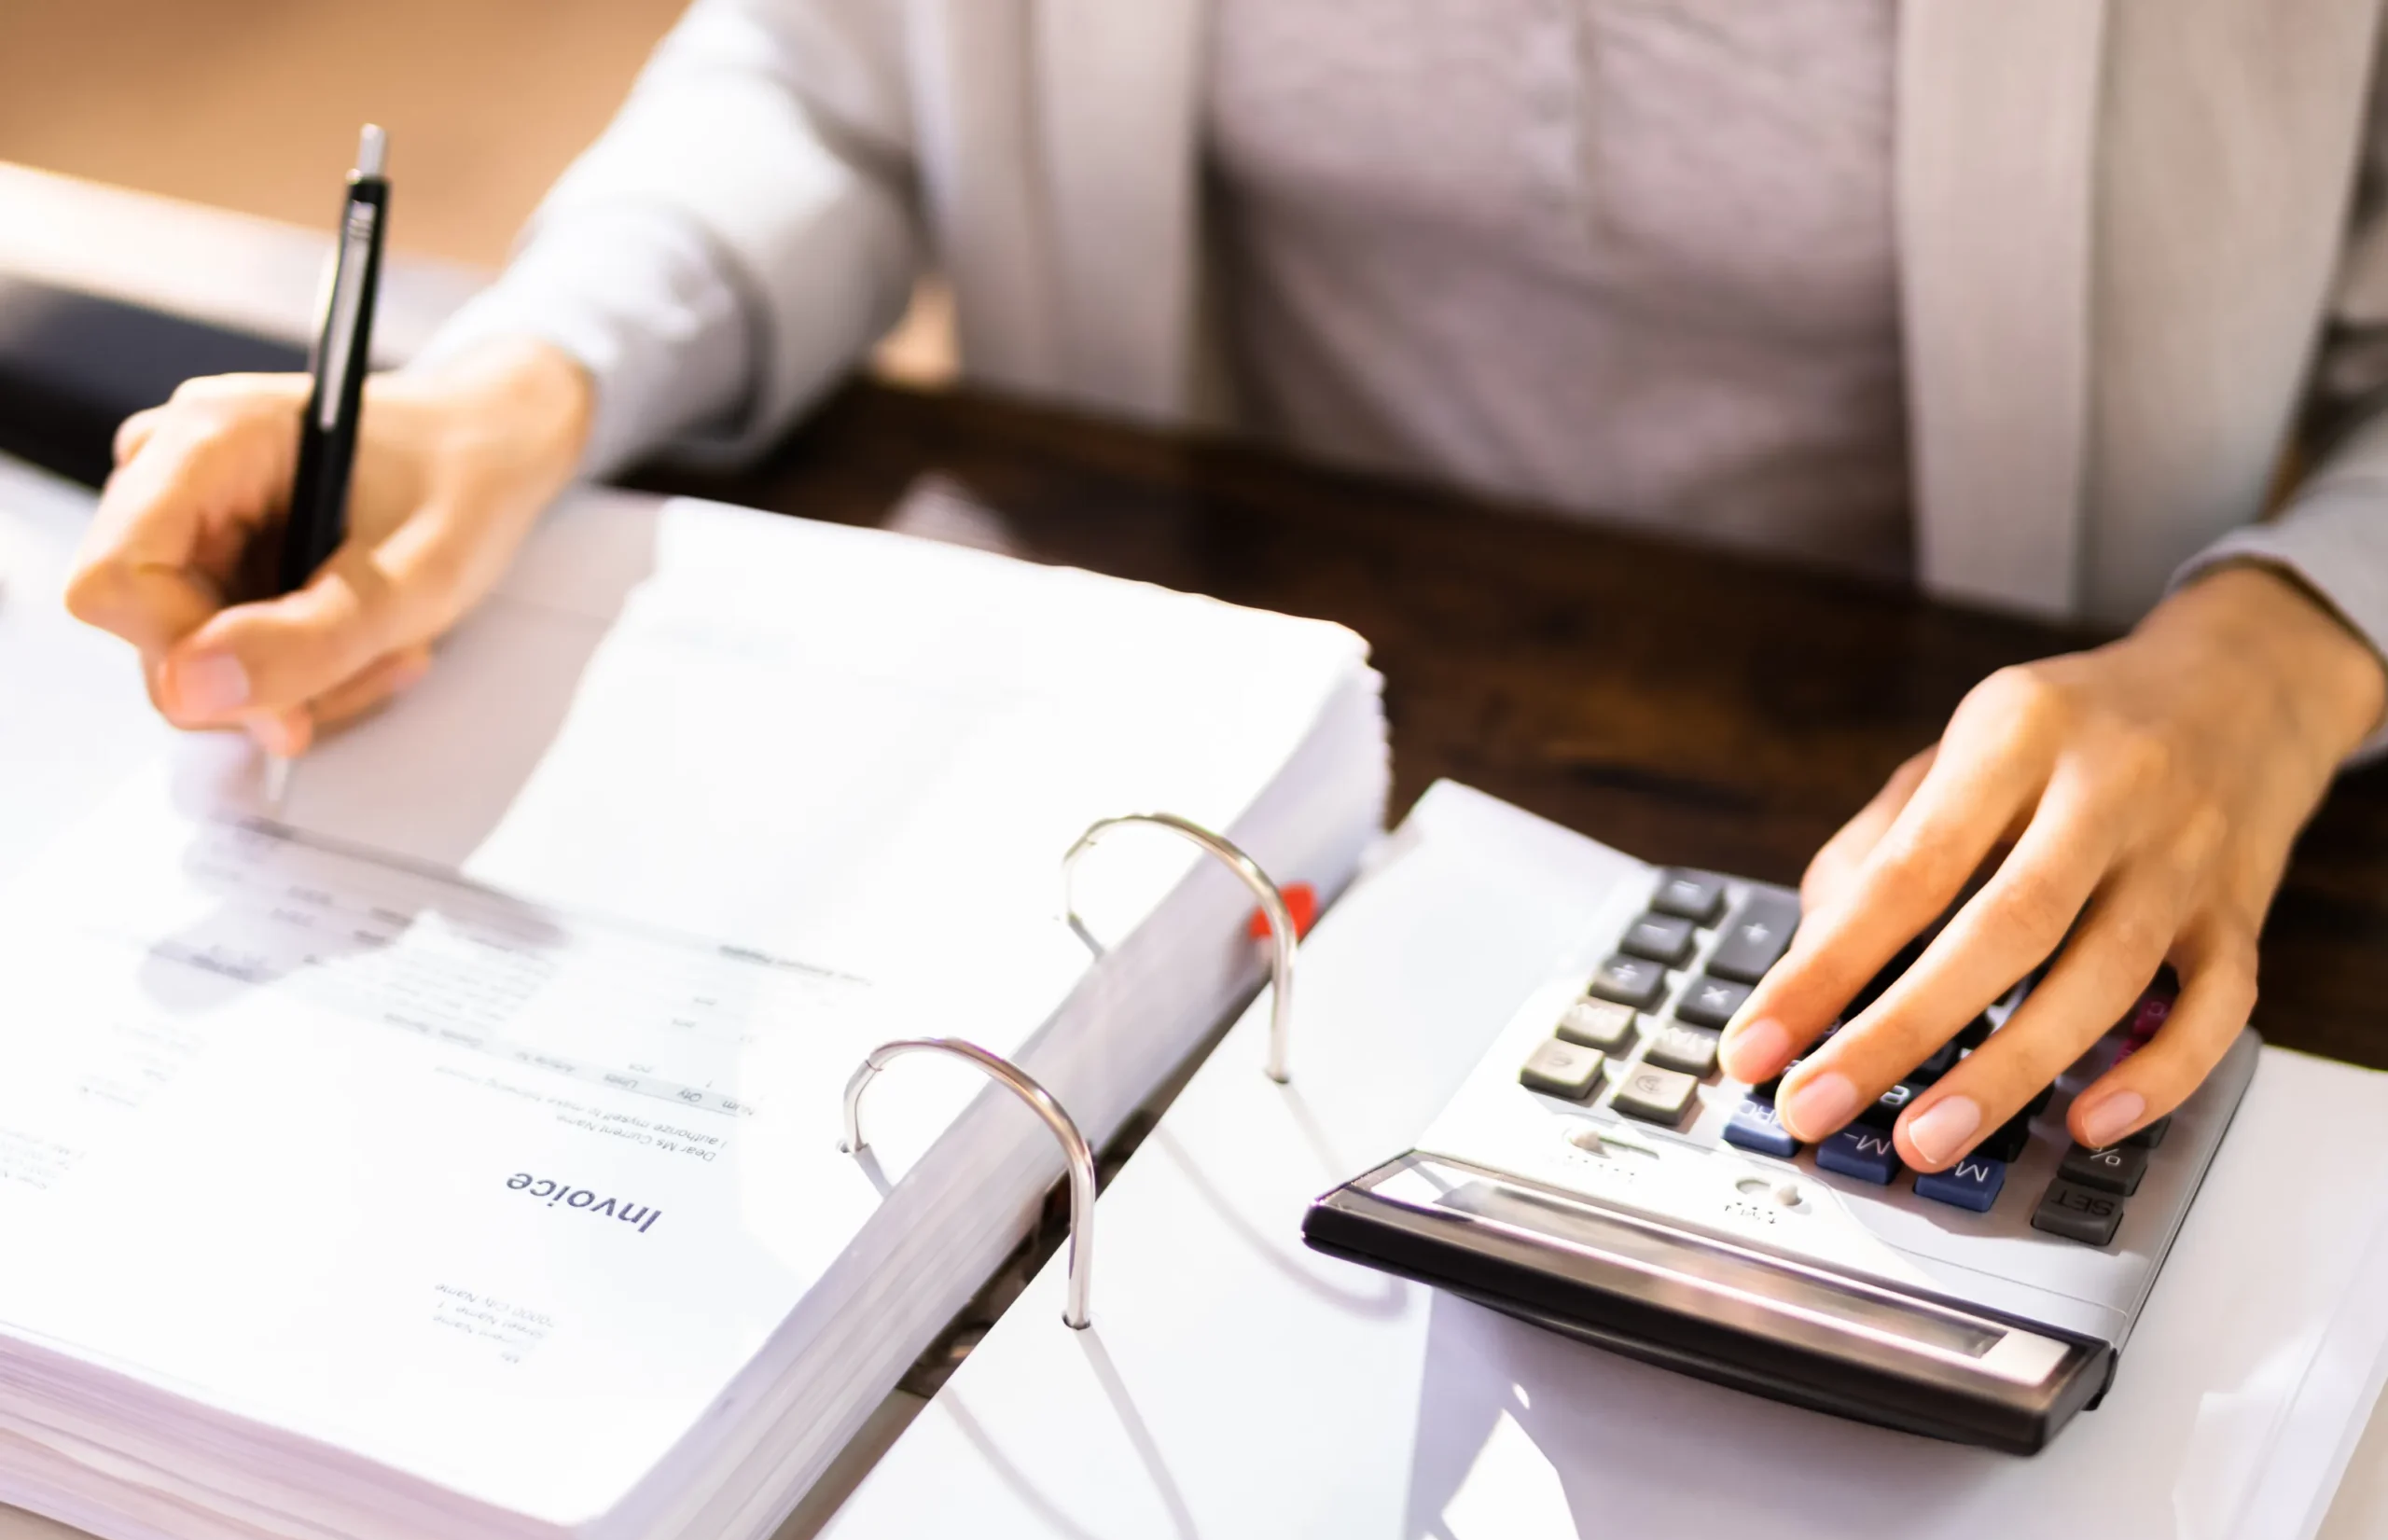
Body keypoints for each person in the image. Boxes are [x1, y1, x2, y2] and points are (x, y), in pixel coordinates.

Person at [62, 0, 2388, 1181]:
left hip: (1899, 824)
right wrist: (522, 382)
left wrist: (2274, 653)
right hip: (1193, 782)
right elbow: (840, 74)